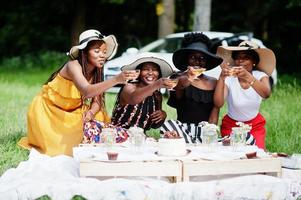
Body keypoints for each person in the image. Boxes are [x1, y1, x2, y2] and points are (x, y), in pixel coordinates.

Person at [18, 29, 137, 156]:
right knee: (63, 149)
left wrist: (90, 113)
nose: (102, 55)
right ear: (84, 52)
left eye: (104, 52)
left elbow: (97, 100)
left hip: (74, 109)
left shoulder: (97, 70)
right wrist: (116, 79)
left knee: (99, 115)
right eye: (97, 51)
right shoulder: (73, 66)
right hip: (50, 111)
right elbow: (87, 91)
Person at [160, 32, 223, 143]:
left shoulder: (214, 82)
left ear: (206, 62)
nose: (197, 62)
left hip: (205, 132)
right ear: (186, 60)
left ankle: (199, 145)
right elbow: (179, 86)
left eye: (202, 58)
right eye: (193, 57)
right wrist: (189, 76)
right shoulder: (178, 77)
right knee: (168, 126)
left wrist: (210, 134)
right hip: (182, 130)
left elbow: (215, 110)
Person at [214, 40, 276, 149]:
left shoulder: (260, 75)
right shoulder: (229, 78)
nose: (240, 60)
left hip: (254, 125)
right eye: (237, 57)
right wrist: (222, 78)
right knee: (233, 154)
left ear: (254, 61)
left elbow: (266, 94)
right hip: (231, 125)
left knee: (257, 154)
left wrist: (247, 76)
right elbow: (218, 103)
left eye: (245, 57)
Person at [111, 53, 174, 132]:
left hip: (140, 137)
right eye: (146, 69)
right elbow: (134, 99)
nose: (150, 73)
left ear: (159, 74)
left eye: (154, 70)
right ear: (139, 72)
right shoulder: (129, 87)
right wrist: (156, 84)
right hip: (119, 133)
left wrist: (163, 115)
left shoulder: (157, 95)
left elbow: (155, 125)